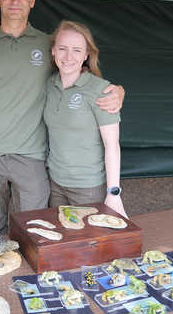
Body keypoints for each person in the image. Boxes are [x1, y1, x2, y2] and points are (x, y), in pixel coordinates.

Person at [0, 0, 124, 233]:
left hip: (31, 154)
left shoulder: (49, 45)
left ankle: (29, 274)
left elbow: (81, 72)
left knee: (33, 227)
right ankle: (0, 273)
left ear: (32, 0)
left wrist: (117, 91)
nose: (15, 0)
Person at [45, 20, 128, 218]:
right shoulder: (50, 84)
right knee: (61, 240)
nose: (68, 56)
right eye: (62, 48)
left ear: (86, 55)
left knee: (87, 244)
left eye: (76, 50)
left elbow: (112, 146)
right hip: (55, 183)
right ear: (53, 51)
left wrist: (113, 192)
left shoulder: (102, 90)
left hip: (87, 187)